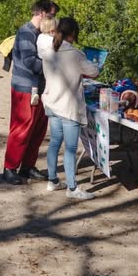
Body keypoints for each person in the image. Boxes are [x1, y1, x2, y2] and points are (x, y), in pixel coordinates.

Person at [39, 16, 100, 199]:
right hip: (68, 106)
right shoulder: (74, 54)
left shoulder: (47, 51)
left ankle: (53, 180)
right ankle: (72, 188)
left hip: (52, 103)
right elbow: (94, 72)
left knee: (55, 142)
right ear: (73, 33)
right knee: (71, 148)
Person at [2, 0, 57, 184]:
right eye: (51, 15)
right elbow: (29, 61)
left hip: (40, 89)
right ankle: (10, 168)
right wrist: (54, 67)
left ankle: (27, 166)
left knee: (38, 129)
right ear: (41, 13)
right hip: (26, 89)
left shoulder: (40, 33)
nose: (53, 19)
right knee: (21, 129)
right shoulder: (26, 33)